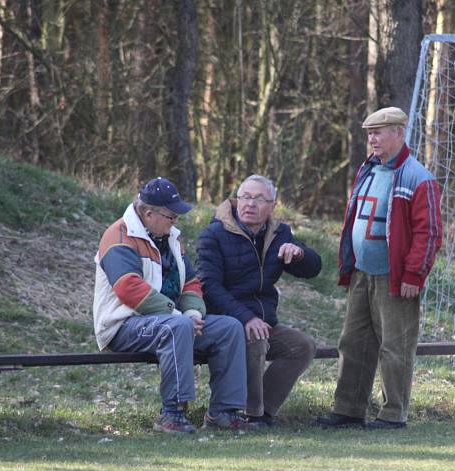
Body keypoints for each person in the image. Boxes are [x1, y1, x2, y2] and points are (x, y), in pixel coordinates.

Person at [93, 177, 254, 434]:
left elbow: (190, 281)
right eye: (170, 216)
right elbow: (128, 287)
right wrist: (179, 315)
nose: (175, 221)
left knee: (229, 327)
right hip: (122, 325)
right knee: (176, 327)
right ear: (148, 213)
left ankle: (223, 411)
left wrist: (192, 312)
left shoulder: (171, 239)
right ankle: (171, 413)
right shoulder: (118, 236)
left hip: (171, 321)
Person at [316, 107, 442, 430]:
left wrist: (414, 274)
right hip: (362, 273)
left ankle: (393, 413)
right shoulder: (368, 170)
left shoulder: (418, 177)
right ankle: (348, 408)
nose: (372, 138)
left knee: (395, 346)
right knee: (353, 341)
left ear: (398, 133)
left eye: (379, 132)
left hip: (394, 278)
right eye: (369, 133)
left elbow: (428, 232)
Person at [197, 175, 322, 428]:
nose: (249, 204)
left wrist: (299, 254)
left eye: (258, 199)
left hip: (264, 320)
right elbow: (208, 287)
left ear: (272, 205)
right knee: (254, 337)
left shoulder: (280, 233)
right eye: (245, 197)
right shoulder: (214, 234)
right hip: (224, 322)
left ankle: (264, 413)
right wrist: (246, 318)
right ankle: (246, 414)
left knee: (302, 346)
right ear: (237, 199)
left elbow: (313, 269)